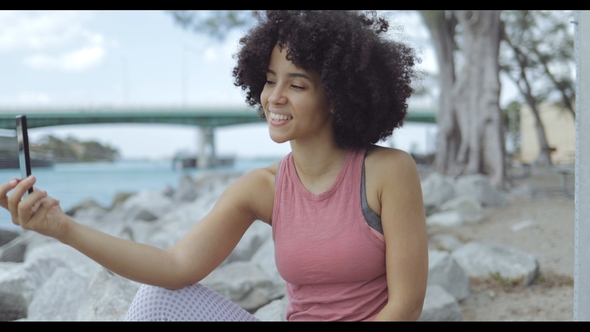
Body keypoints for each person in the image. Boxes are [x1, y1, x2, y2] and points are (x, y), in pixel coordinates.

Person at [0, 10, 427, 321]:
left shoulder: (388, 171)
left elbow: (406, 306)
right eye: (269, 79)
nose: (274, 97)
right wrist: (62, 227)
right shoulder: (261, 188)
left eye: (296, 84)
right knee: (157, 301)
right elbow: (174, 267)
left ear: (337, 95)